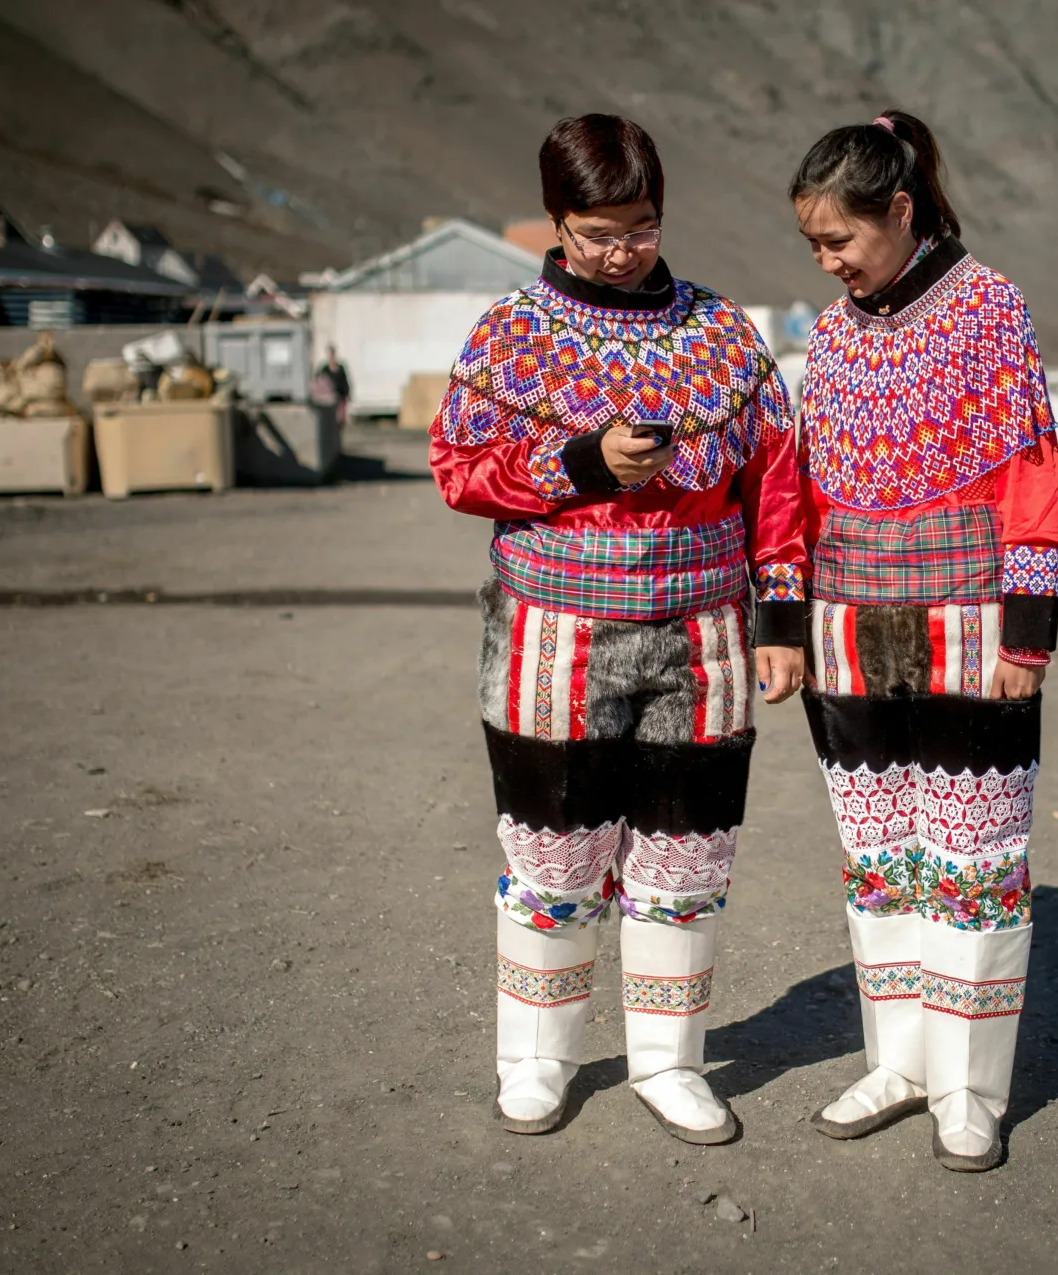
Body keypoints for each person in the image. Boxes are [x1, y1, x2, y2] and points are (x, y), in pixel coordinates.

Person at [430, 115, 807, 1145]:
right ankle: (537, 1061)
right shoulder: (510, 333)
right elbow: (457, 469)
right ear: (556, 222)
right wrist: (582, 465)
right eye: (597, 233)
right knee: (552, 855)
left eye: (639, 228)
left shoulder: (722, 334)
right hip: (551, 630)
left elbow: (776, 483)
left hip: (705, 637)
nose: (621, 251)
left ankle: (668, 1064)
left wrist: (782, 615)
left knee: (686, 856)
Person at [789, 111, 1058, 1171]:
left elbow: (1032, 477)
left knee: (976, 864)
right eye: (815, 247)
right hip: (847, 631)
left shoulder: (988, 308)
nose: (829, 264)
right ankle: (898, 1061)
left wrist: (1026, 635)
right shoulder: (830, 331)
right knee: (881, 862)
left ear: (898, 211)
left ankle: (968, 1089)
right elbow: (806, 489)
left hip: (968, 628)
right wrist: (793, 629)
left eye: (840, 242)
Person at [314, 345, 351, 425]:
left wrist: (347, 394)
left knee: (340, 419)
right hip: (329, 399)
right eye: (329, 354)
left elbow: (345, 382)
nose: (331, 357)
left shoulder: (340, 368)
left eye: (332, 354)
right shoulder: (325, 369)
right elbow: (318, 380)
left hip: (340, 397)